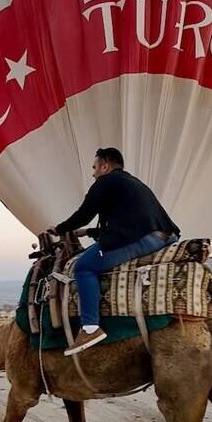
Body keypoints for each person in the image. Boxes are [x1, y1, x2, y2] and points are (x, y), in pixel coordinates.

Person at [51, 147, 180, 356]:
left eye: (95, 167)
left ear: (105, 165)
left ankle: (90, 328)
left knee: (84, 266)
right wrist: (88, 232)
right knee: (96, 251)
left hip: (145, 240)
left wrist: (59, 229)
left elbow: (84, 213)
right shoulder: (133, 183)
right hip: (165, 236)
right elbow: (127, 223)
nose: (93, 173)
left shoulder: (105, 182)